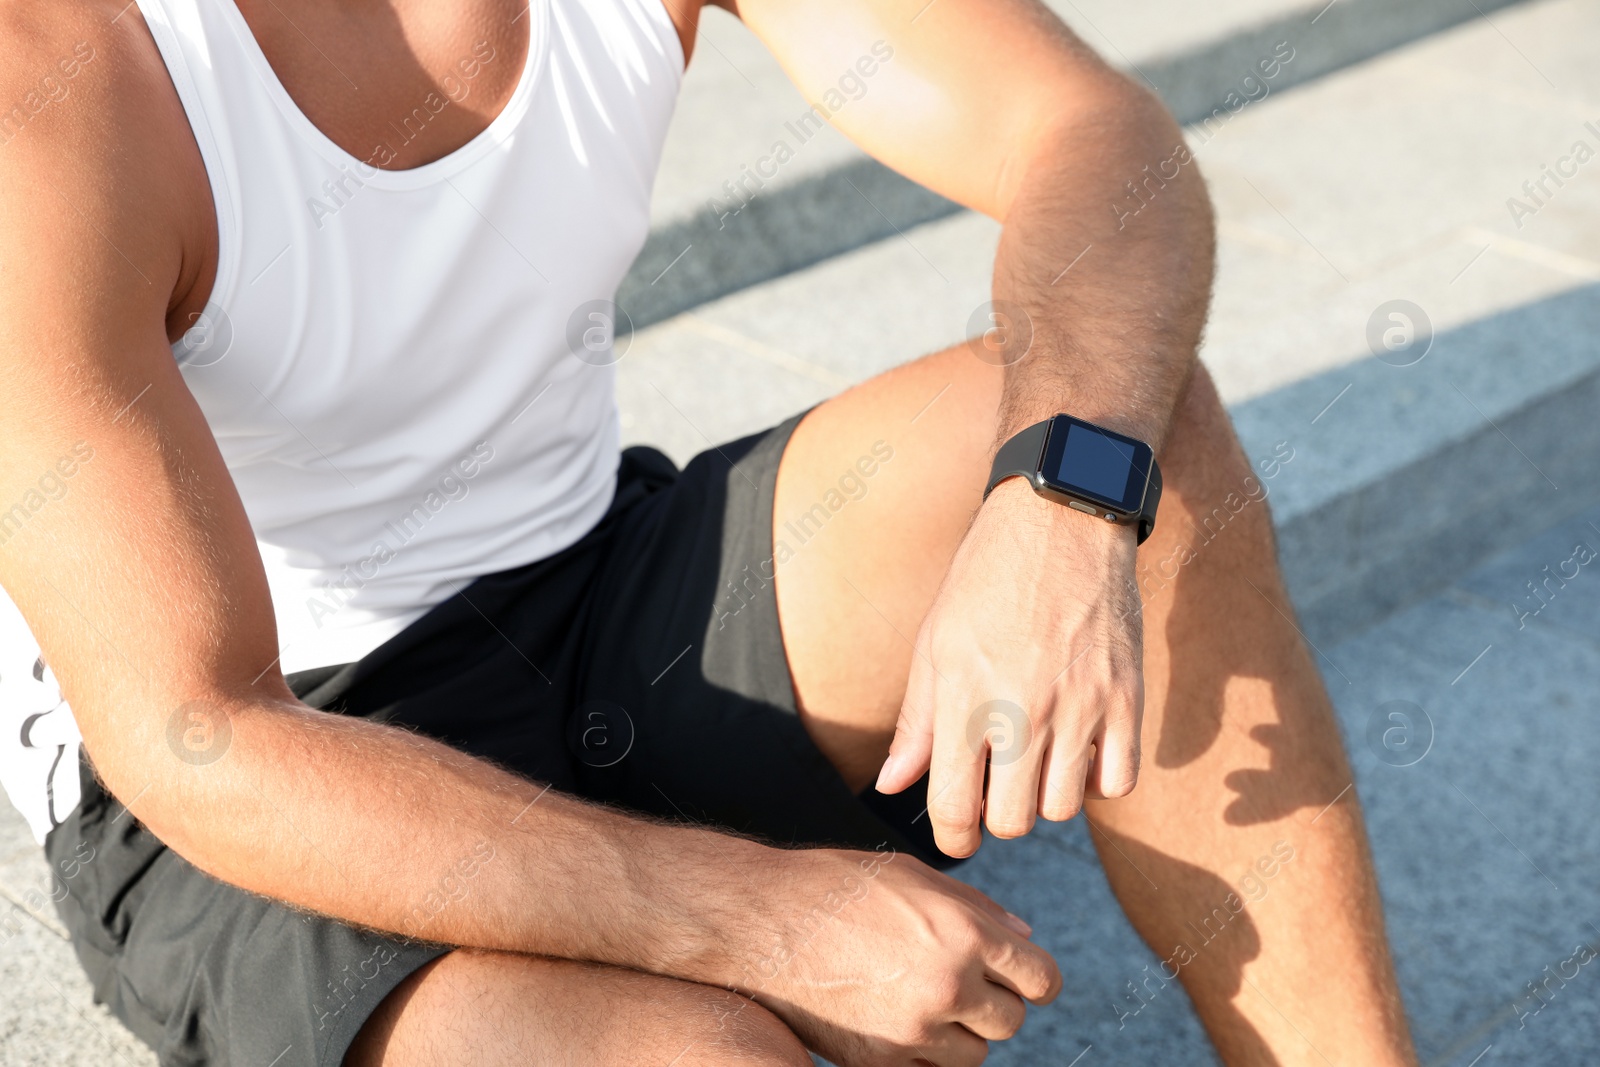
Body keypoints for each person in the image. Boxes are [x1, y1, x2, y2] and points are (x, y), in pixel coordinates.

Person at [0, 0, 1418, 1063]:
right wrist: (771, 922)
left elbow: (1091, 140)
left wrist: (1055, 511)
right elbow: (198, 737)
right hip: (268, 774)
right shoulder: (60, 87)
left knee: (1127, 440)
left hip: (598, 588)